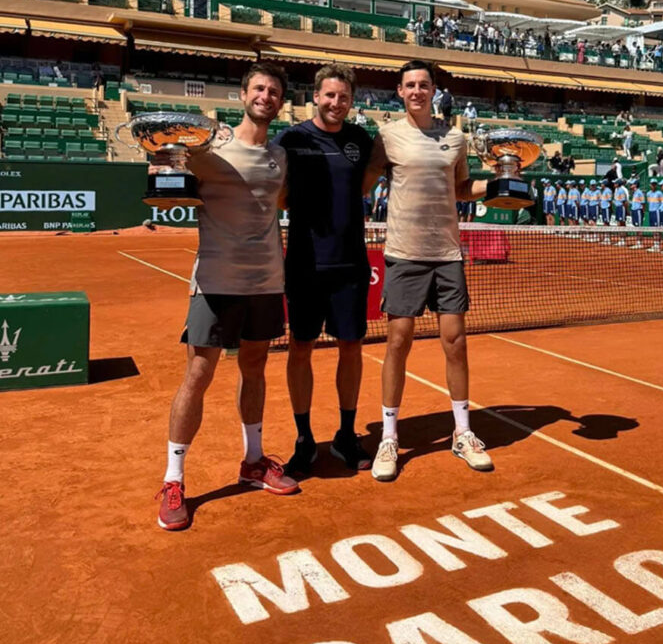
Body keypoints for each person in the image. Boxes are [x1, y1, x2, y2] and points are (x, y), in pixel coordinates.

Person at [155, 61, 297, 531]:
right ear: (242, 95)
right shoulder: (206, 150)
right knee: (198, 373)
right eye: (259, 88)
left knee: (254, 368)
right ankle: (174, 479)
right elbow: (166, 170)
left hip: (265, 283)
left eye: (274, 91)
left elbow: (283, 204)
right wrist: (161, 165)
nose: (266, 96)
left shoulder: (280, 158)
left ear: (280, 101)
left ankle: (253, 460)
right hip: (215, 281)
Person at [365, 60, 492, 482]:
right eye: (410, 85)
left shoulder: (455, 138)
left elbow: (460, 189)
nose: (417, 91)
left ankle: (462, 432)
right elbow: (363, 184)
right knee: (398, 342)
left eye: (424, 85)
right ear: (399, 91)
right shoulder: (387, 136)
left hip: (447, 253)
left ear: (434, 90)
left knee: (455, 342)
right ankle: (389, 437)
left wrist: (503, 182)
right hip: (404, 253)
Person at [276, 64, 374, 477]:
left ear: (352, 101)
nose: (337, 103)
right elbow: (279, 195)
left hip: (351, 263)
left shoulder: (360, 140)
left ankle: (346, 435)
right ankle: (304, 439)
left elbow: (366, 184)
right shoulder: (292, 139)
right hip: (304, 263)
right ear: (315, 96)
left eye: (344, 97)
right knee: (301, 347)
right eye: (330, 95)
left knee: (351, 348)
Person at [646, 179, 662, 252]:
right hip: (651, 212)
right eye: (652, 184)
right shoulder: (648, 193)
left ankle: (658, 245)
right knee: (653, 229)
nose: (653, 185)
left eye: (654, 184)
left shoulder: (659, 193)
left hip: (657, 212)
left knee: (657, 229)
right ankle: (655, 244)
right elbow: (649, 202)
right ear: (650, 185)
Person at [613, 180, 629, 244]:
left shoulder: (621, 191)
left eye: (615, 183)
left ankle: (623, 240)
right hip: (618, 208)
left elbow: (624, 202)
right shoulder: (616, 191)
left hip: (621, 208)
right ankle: (621, 239)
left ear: (618, 184)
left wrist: (626, 210)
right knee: (619, 223)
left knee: (622, 223)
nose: (614, 184)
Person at [630, 181, 645, 248]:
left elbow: (643, 203)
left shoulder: (639, 192)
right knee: (636, 227)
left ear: (635, 185)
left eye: (632, 184)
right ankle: (638, 242)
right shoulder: (634, 193)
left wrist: (643, 212)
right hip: (634, 211)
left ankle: (640, 243)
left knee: (639, 227)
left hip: (638, 211)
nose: (631, 185)